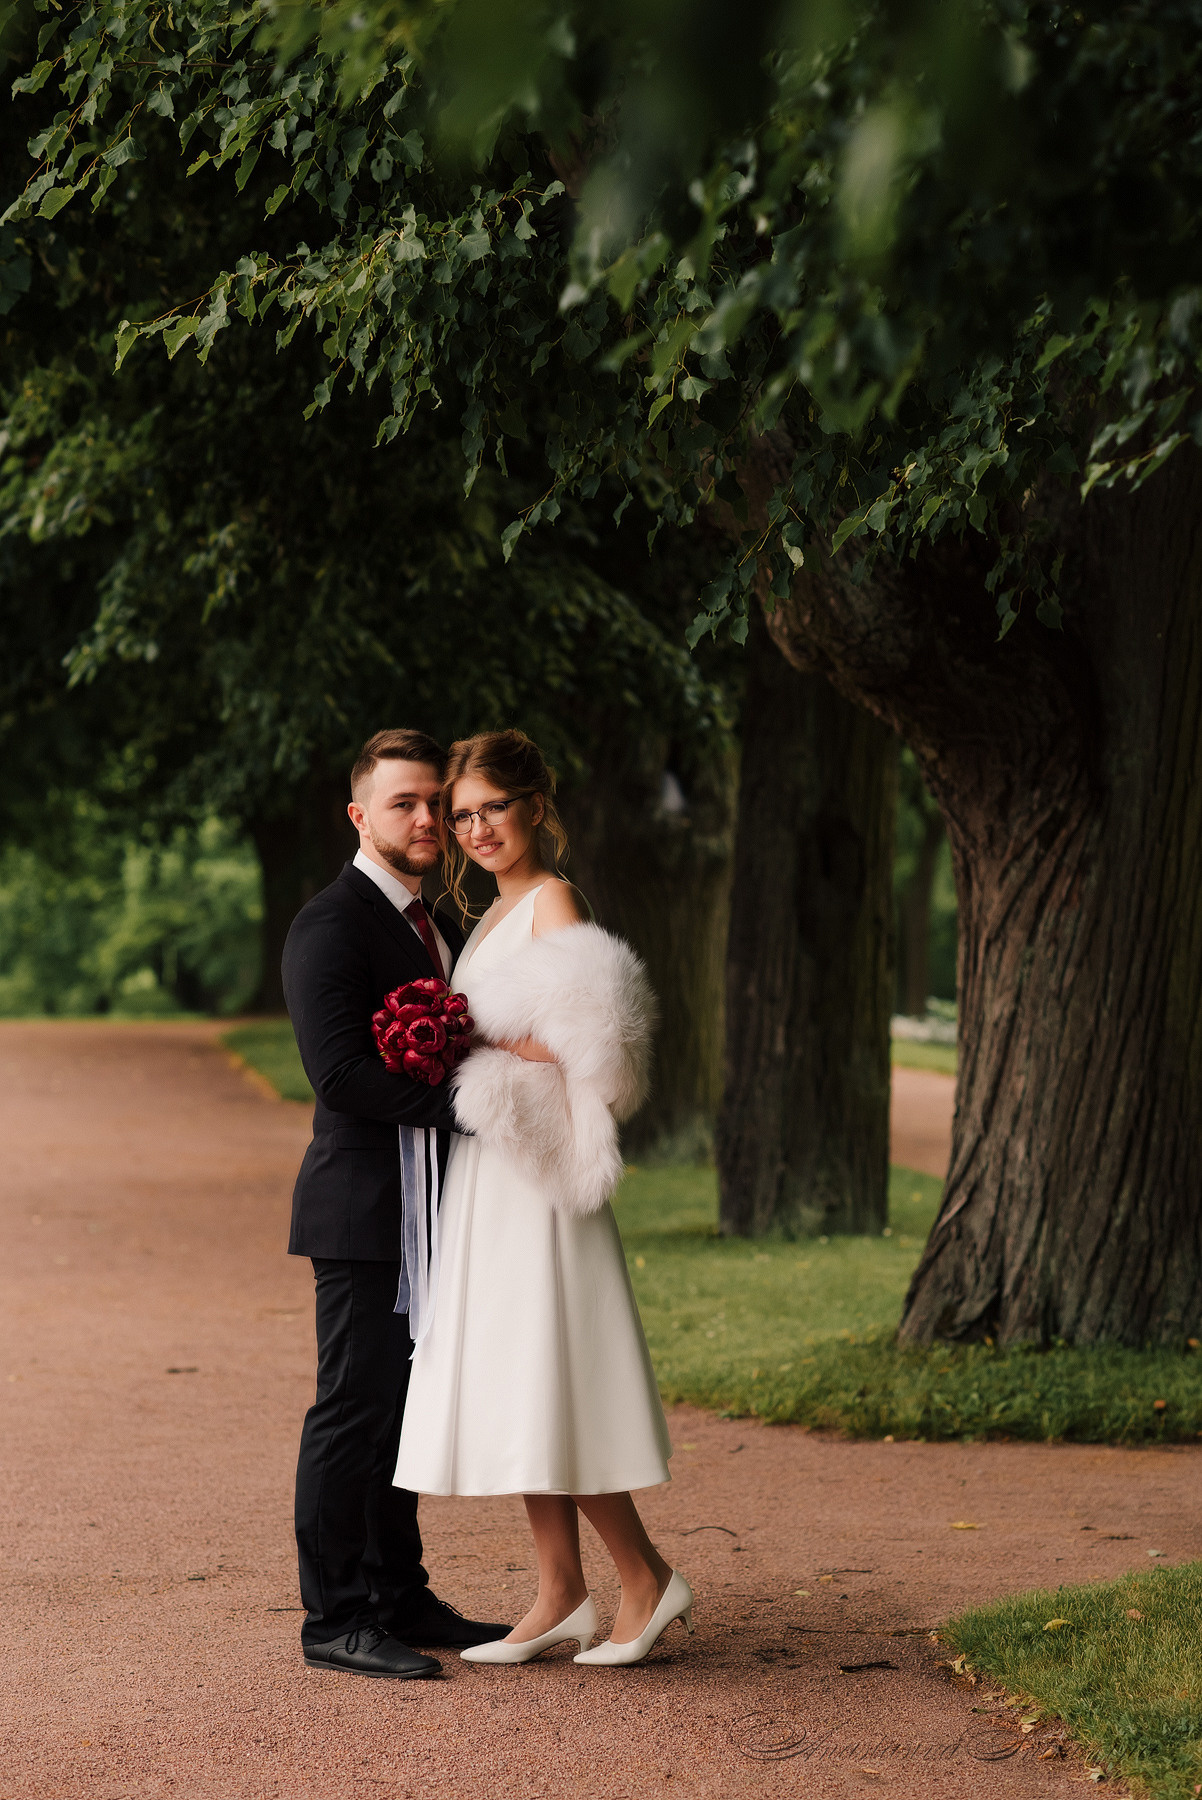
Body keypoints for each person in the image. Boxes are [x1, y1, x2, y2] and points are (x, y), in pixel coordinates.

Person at [395, 729, 694, 1667]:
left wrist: (472, 1040)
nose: (477, 829)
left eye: (494, 808)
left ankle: (645, 1577)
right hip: (494, 1172)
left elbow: (593, 1046)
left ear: (535, 806)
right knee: (521, 1378)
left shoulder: (554, 900)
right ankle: (561, 1592)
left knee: (549, 1372)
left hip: (538, 1177)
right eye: (463, 815)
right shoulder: (490, 912)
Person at [281, 728, 508, 1680]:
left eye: (434, 804)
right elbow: (339, 1075)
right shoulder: (330, 924)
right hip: (365, 1210)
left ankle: (398, 1594)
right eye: (403, 803)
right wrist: (479, 1107)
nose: (425, 819)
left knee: (405, 1410)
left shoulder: (434, 920)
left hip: (432, 1206)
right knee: (354, 1409)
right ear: (359, 815)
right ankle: (335, 1619)